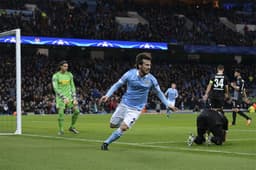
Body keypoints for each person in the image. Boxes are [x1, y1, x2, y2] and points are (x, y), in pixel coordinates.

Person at [100, 52, 177, 150]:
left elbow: (159, 92)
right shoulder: (129, 74)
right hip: (124, 104)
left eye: (150, 65)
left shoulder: (152, 79)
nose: (149, 67)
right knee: (112, 125)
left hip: (136, 109)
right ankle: (125, 123)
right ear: (139, 65)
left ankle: (106, 143)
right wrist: (107, 95)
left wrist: (167, 104)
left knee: (124, 127)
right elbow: (117, 85)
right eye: (146, 65)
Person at [52, 60, 80, 135]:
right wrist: (63, 97)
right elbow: (55, 88)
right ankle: (61, 130)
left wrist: (74, 98)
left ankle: (72, 127)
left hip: (69, 97)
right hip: (61, 98)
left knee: (77, 111)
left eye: (67, 66)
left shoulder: (69, 75)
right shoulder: (56, 76)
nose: (66, 67)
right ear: (60, 66)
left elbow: (72, 86)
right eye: (64, 66)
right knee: (61, 113)